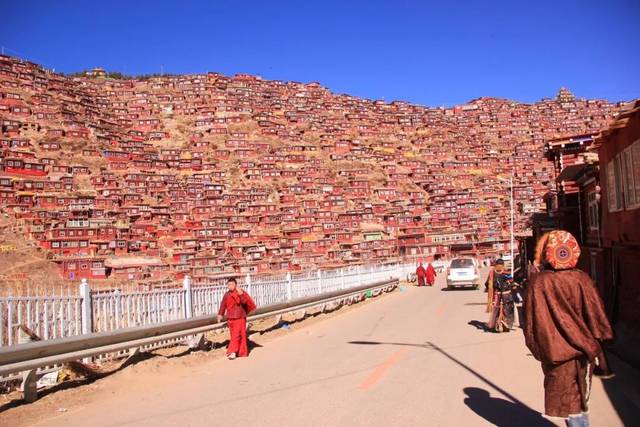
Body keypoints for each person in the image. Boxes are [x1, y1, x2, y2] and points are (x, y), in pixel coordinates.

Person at [524, 230, 613, 427]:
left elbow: (530, 325)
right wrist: (597, 344)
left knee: (571, 401)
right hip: (583, 351)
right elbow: (598, 317)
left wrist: (540, 350)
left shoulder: (538, 283)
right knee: (577, 400)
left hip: (554, 353)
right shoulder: (582, 279)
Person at [217, 277, 257, 359]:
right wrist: (220, 314)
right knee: (235, 336)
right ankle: (240, 352)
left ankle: (232, 352)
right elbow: (223, 305)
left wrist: (241, 294)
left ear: (236, 285)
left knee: (236, 335)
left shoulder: (241, 292)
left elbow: (245, 302)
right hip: (230, 318)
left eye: (232, 284)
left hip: (240, 317)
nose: (230, 286)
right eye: (229, 284)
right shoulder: (226, 294)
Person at [484, 259, 514, 332]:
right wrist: (513, 286)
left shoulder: (492, 273)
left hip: (498, 295)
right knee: (507, 310)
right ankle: (507, 325)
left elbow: (487, 284)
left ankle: (498, 324)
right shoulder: (505, 272)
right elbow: (511, 282)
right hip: (505, 295)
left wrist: (490, 288)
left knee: (498, 310)